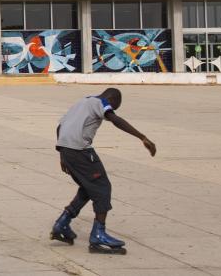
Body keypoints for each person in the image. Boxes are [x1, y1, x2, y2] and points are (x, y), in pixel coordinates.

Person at [50, 88, 156, 254]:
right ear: (113, 100)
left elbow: (60, 126)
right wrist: (142, 137)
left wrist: (62, 154)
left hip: (66, 149)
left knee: (88, 187)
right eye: (115, 106)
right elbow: (115, 119)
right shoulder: (102, 102)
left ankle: (62, 224)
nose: (113, 109)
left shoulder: (81, 102)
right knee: (102, 188)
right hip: (80, 151)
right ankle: (98, 235)